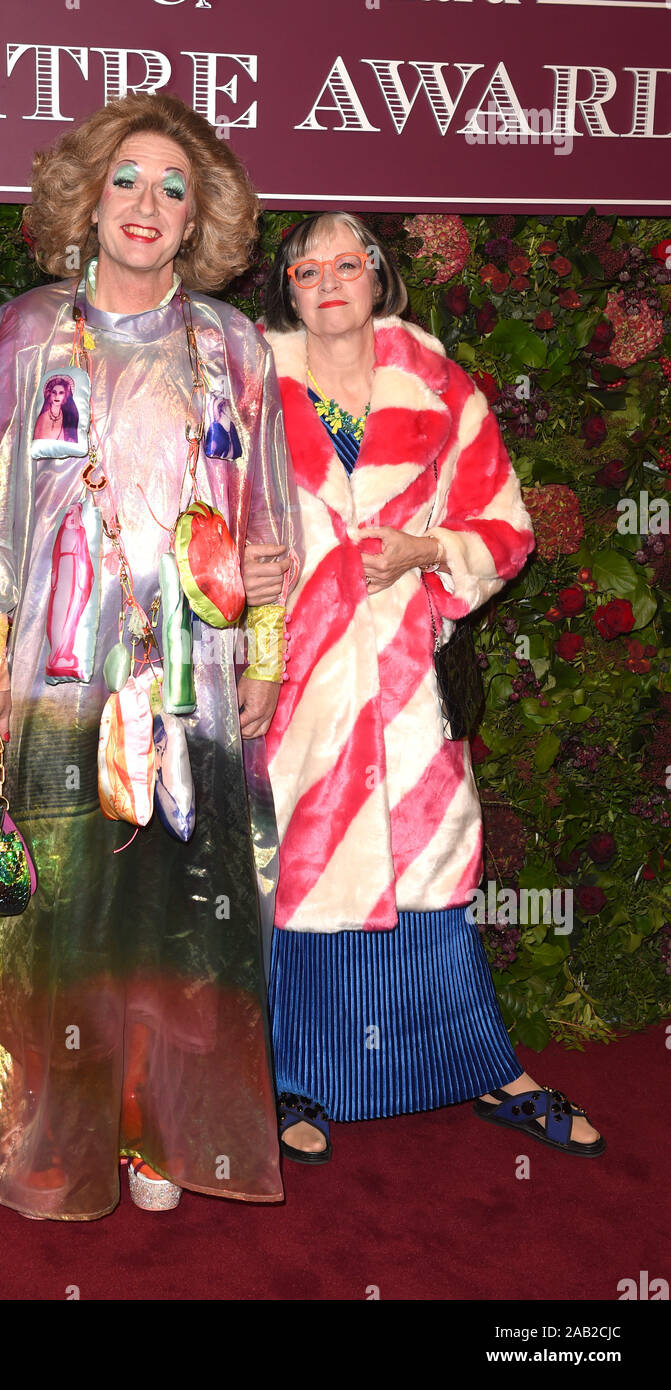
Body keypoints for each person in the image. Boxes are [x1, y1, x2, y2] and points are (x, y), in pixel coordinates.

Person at [0, 92, 301, 1221]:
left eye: (174, 190)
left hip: (192, 669)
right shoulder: (28, 330)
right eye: (127, 178)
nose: (147, 204)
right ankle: (64, 1125)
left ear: (198, 224)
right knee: (64, 910)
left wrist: (263, 646)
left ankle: (155, 1129)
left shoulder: (230, 344)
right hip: (57, 664)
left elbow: (260, 516)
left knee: (181, 905)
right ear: (87, 197)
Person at [242, 212, 604, 1164]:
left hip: (407, 690)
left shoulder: (443, 389)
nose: (328, 279)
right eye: (307, 266)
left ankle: (490, 1070)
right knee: (302, 878)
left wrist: (424, 549)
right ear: (286, 287)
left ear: (379, 277)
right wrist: (239, 571)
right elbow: (201, 520)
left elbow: (507, 528)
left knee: (428, 875)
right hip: (294, 688)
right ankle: (286, 1079)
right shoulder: (245, 392)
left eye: (347, 262)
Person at [33, 376, 79, 443]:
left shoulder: (67, 418)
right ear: (49, 394)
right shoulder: (42, 418)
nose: (57, 396)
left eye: (61, 393)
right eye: (54, 392)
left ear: (65, 395)